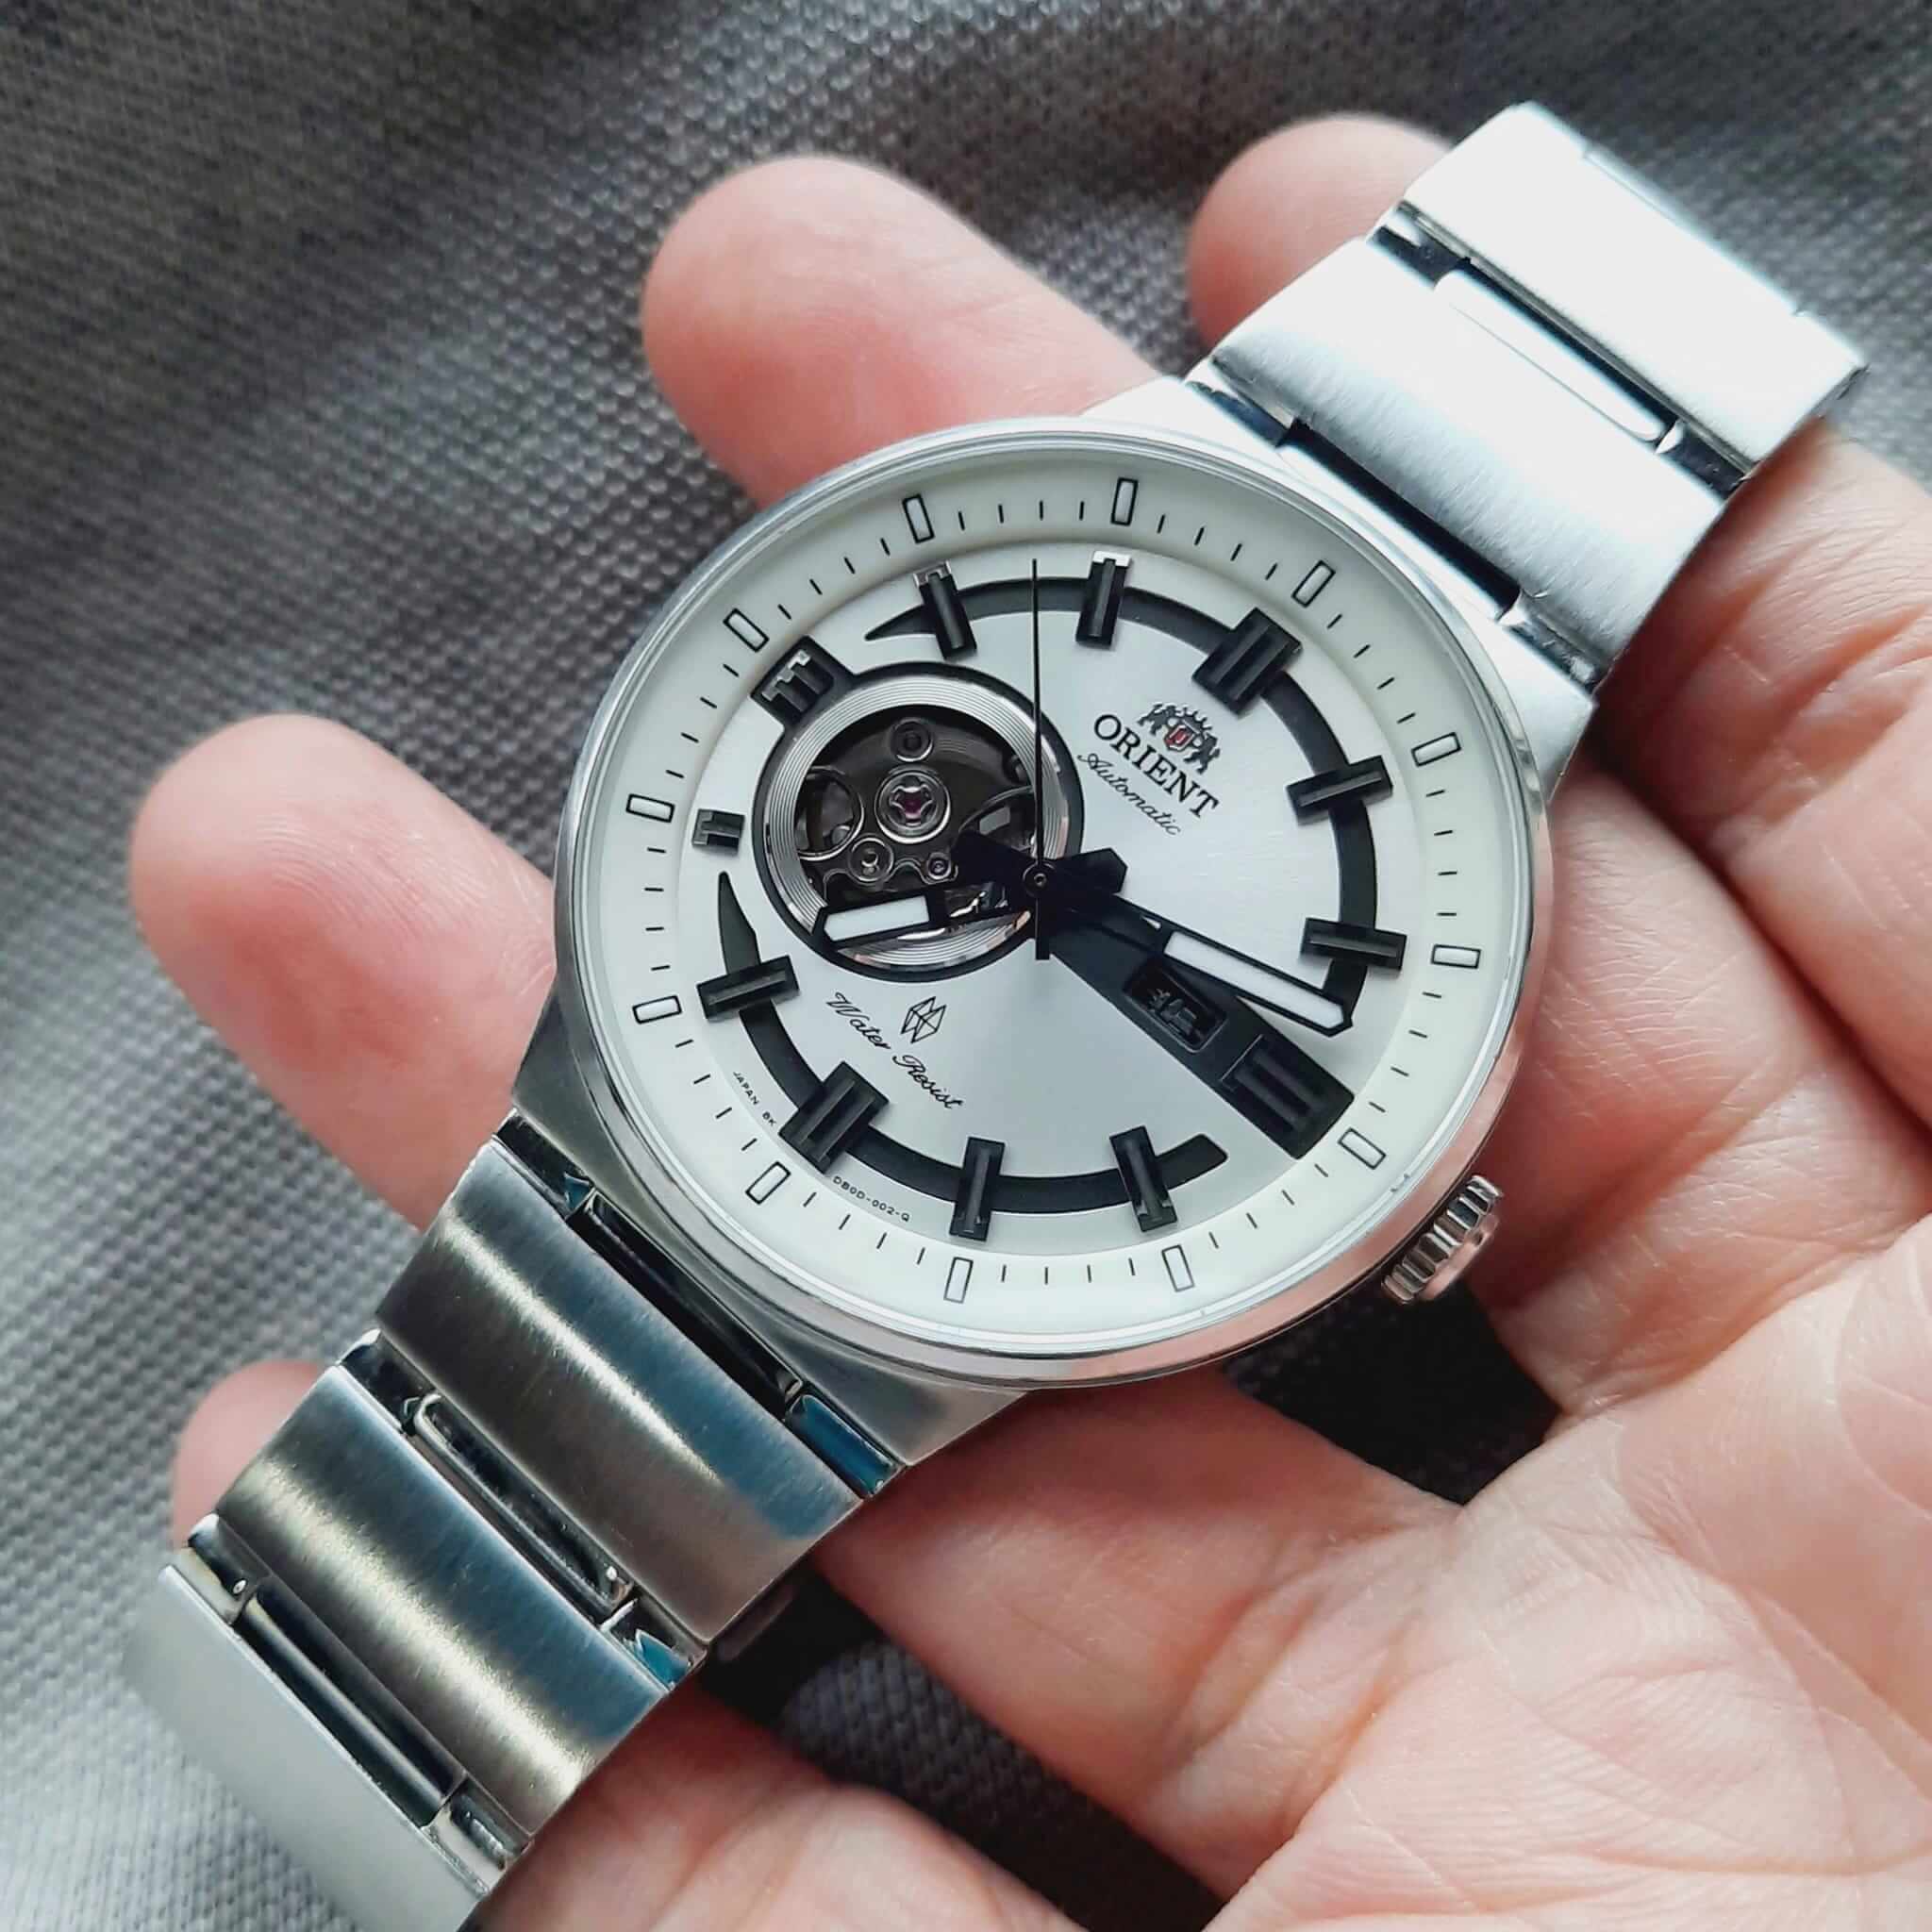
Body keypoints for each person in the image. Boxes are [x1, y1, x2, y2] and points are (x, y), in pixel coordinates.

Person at [131, 117, 1932, 1926]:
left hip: (898, 1267)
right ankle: (404, 1647)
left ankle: (422, 1689)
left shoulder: (1450, 859)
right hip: (651, 1122)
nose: (1022, 881)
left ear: (1425, 1223)